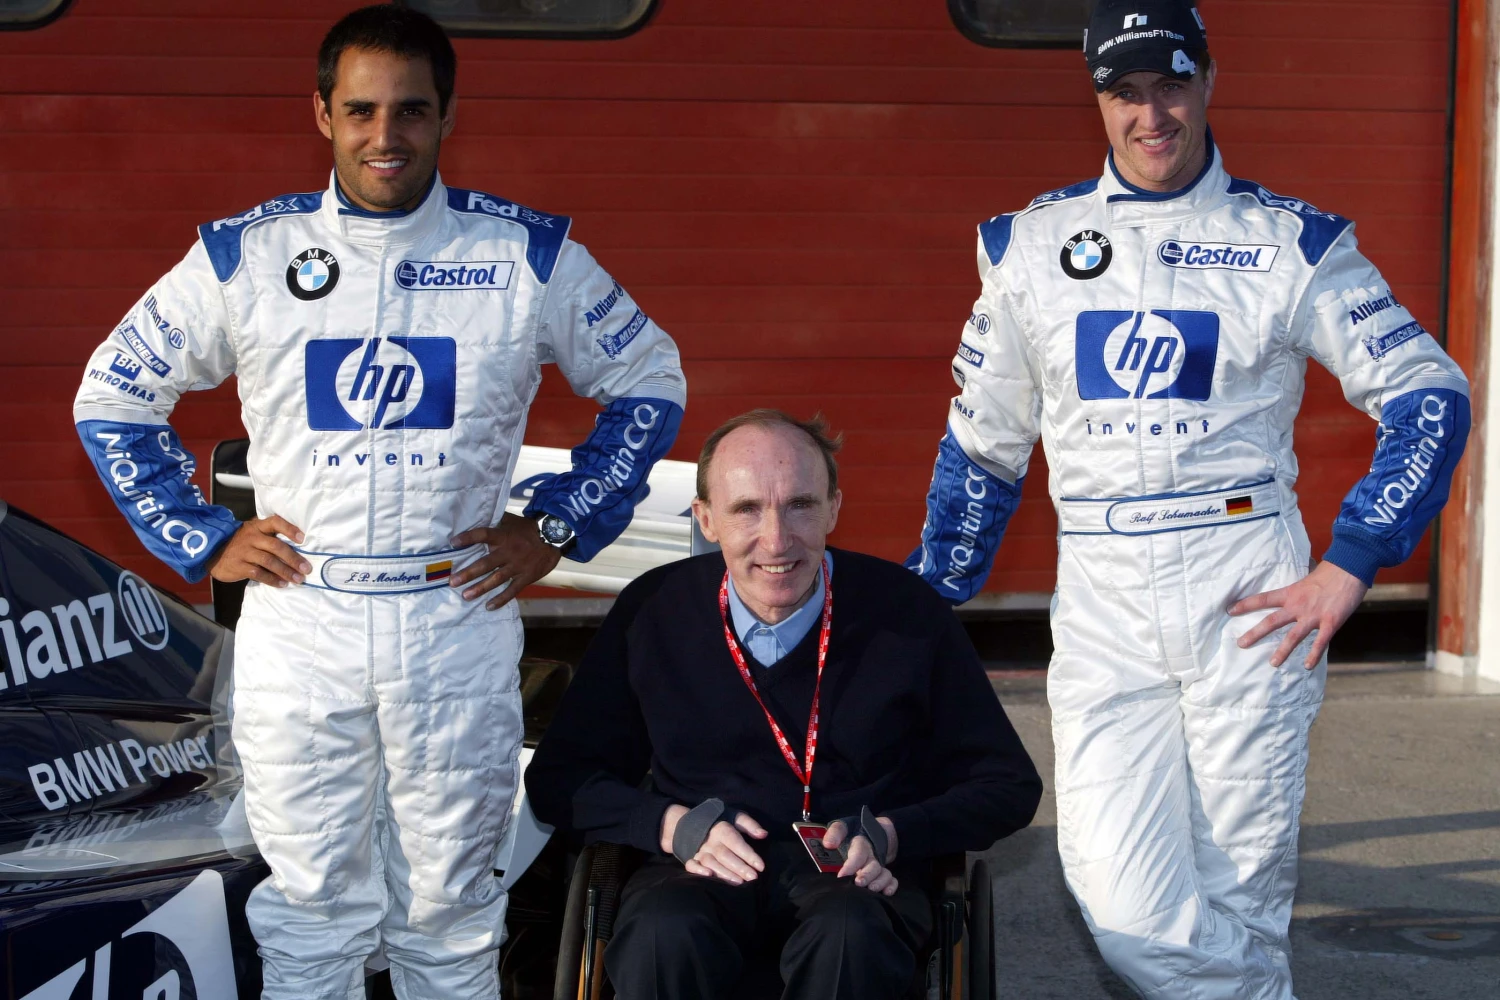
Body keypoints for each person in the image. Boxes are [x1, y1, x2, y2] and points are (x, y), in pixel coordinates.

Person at [71, 6, 686, 998]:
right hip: (301, 621)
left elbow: (650, 379)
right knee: (311, 918)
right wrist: (201, 534)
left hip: (455, 614)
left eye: (410, 111)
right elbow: (112, 393)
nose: (384, 136)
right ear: (320, 114)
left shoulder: (526, 256)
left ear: (447, 117)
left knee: (450, 921)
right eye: (360, 110)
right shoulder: (248, 257)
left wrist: (561, 522)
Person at [905, 2, 1470, 997]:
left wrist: (1352, 563)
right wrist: (923, 607)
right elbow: (983, 448)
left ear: (1209, 81)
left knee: (1242, 894)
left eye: (1170, 84)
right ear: (1098, 99)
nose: (1150, 113)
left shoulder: (1293, 243)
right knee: (1121, 902)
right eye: (1126, 92)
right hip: (1103, 601)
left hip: (1248, 592)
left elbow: (1431, 393)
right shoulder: (1029, 245)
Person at [526, 410, 1041, 1000]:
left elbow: (1008, 784)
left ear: (834, 509)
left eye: (799, 504)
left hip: (855, 873)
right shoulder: (654, 612)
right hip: (698, 864)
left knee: (849, 936)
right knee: (662, 934)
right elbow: (559, 779)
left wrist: (896, 834)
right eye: (746, 509)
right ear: (707, 519)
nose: (776, 539)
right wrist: (669, 825)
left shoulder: (906, 613)